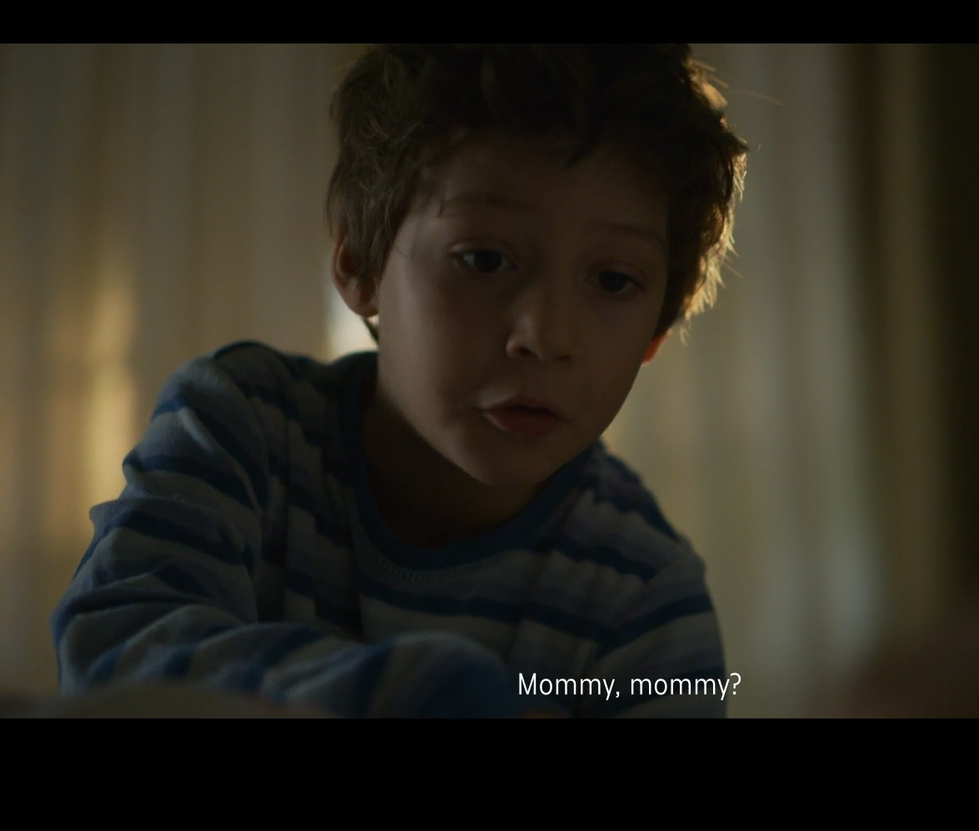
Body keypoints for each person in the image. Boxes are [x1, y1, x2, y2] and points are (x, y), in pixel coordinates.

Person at [50, 45, 748, 717]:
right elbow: (117, 651)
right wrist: (430, 696)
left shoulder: (645, 597)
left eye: (614, 280)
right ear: (362, 265)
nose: (546, 334)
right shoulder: (243, 428)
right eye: (482, 259)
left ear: (656, 332)